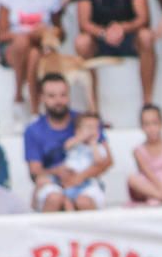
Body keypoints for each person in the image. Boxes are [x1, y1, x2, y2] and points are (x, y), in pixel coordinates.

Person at [24, 73, 113, 212]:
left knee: (84, 202)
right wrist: (58, 172)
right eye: (52, 96)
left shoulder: (85, 121)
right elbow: (35, 171)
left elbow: (107, 161)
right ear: (42, 98)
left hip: (86, 181)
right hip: (52, 183)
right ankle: (48, 234)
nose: (58, 100)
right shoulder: (33, 130)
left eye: (63, 95)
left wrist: (79, 177)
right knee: (54, 198)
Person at [74, 0, 157, 106]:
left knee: (146, 37)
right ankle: (93, 107)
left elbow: (144, 18)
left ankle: (147, 103)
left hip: (129, 35)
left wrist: (123, 28)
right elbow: (83, 23)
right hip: (99, 38)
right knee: (82, 42)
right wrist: (103, 33)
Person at [0, 0, 64, 117]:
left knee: (34, 55)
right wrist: (29, 34)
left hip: (40, 48)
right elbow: (1, 35)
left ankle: (33, 109)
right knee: (23, 42)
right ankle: (19, 96)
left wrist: (47, 32)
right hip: (13, 48)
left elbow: (61, 32)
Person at [128, 103, 162, 204]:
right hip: (151, 189)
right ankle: (161, 197)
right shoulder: (138, 150)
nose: (151, 128)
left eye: (155, 123)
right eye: (147, 124)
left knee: (158, 201)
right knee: (132, 179)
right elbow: (148, 174)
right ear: (142, 127)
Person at [59, 112, 110, 209]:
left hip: (89, 184)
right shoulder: (75, 144)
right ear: (78, 130)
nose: (92, 131)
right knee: (66, 202)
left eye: (96, 128)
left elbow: (99, 162)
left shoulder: (98, 147)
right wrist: (80, 137)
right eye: (89, 127)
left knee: (83, 201)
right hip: (70, 184)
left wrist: (93, 144)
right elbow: (66, 146)